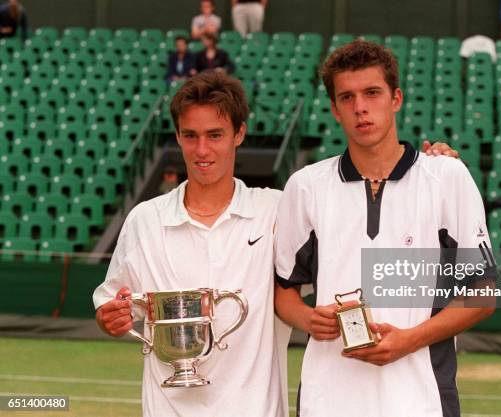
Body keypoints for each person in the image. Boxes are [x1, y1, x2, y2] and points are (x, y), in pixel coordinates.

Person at [93, 70, 458, 417]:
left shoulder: (278, 209)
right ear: (177, 136)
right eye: (190, 135)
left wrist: (429, 170)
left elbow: (363, 238)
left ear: (239, 134)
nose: (202, 149)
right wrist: (112, 317)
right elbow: (115, 304)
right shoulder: (145, 220)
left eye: (215, 135)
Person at [274, 40, 496, 417]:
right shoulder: (306, 185)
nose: (360, 107)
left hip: (421, 398)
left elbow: (483, 294)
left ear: (396, 98)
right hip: (328, 398)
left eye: (372, 93)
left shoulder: (446, 177)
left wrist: (408, 341)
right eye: (347, 97)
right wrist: (308, 318)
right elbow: (284, 293)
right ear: (334, 110)